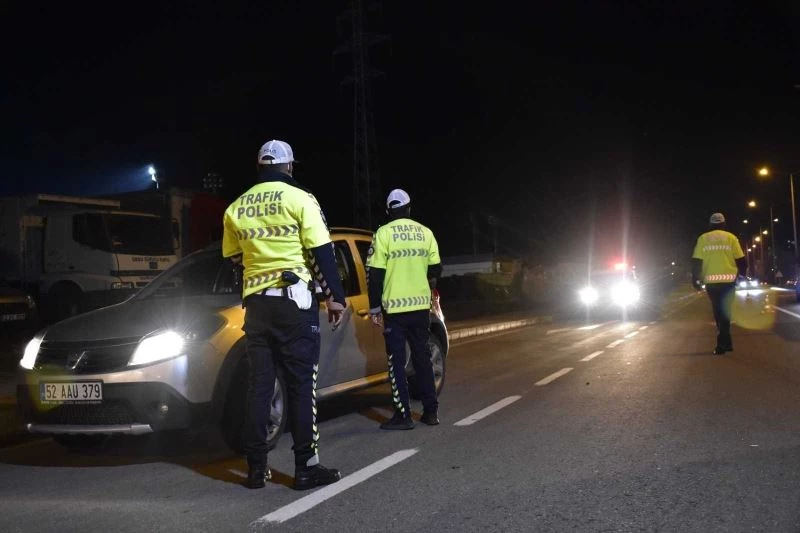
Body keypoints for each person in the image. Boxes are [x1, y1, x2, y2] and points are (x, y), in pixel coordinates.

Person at [222, 139, 347, 490]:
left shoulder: (236, 207)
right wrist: (336, 297)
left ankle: (255, 468)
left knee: (259, 388)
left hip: (257, 307)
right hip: (295, 304)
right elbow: (322, 252)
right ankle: (306, 467)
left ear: (259, 167)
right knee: (300, 385)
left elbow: (234, 258)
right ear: (289, 167)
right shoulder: (301, 198)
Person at [366, 189, 443, 429]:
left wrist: (375, 308)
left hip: (395, 312)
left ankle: (403, 416)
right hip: (420, 308)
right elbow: (436, 269)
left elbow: (375, 276)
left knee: (396, 363)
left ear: (389, 212)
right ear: (409, 209)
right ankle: (431, 413)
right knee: (423, 360)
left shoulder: (383, 233)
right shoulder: (425, 233)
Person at [691, 212, 746, 355]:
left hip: (712, 283)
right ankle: (726, 343)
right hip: (729, 282)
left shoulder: (703, 238)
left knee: (718, 312)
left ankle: (723, 344)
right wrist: (742, 274)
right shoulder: (731, 238)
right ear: (724, 224)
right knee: (725, 311)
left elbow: (697, 261)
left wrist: (695, 279)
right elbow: (741, 259)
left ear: (710, 224)